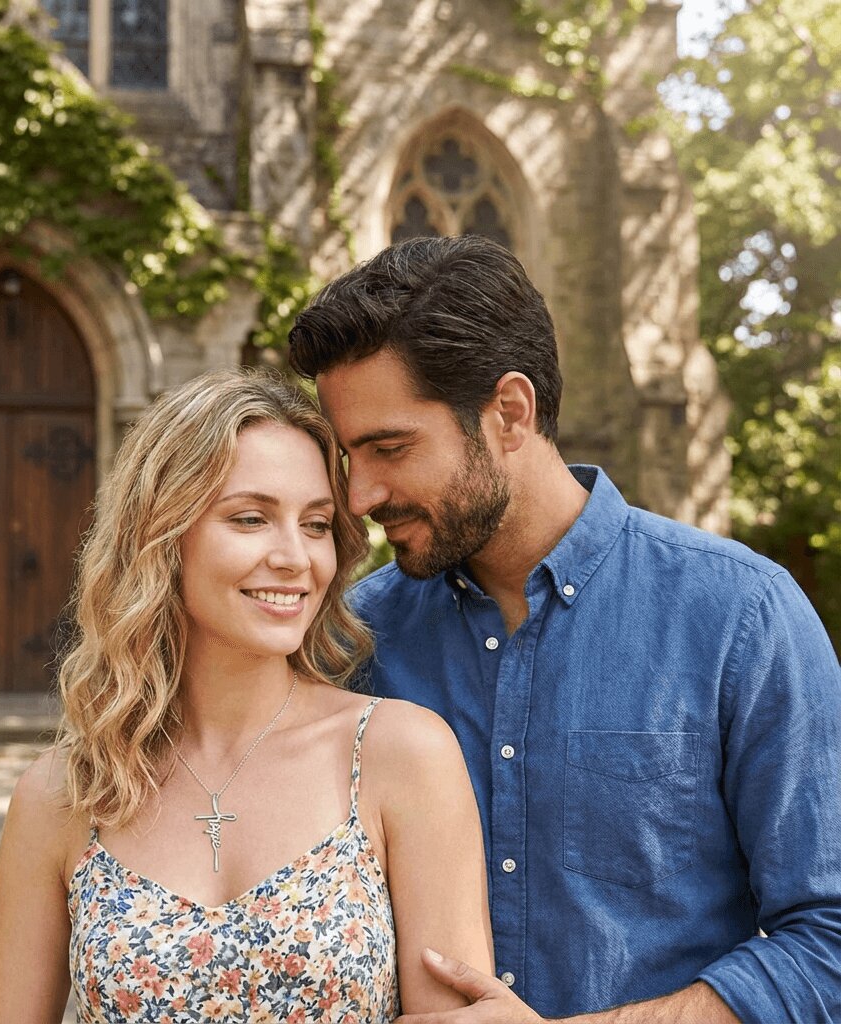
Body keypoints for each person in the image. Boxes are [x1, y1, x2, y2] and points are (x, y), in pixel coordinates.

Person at [288, 234, 841, 1024]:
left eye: (390, 448)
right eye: (350, 458)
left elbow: (828, 939)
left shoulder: (742, 617)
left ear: (509, 413)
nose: (360, 497)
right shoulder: (353, 642)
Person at [0, 367, 493, 1023]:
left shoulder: (402, 756)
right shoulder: (61, 796)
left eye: (315, 524)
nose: (294, 556)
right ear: (163, 537)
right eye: (250, 519)